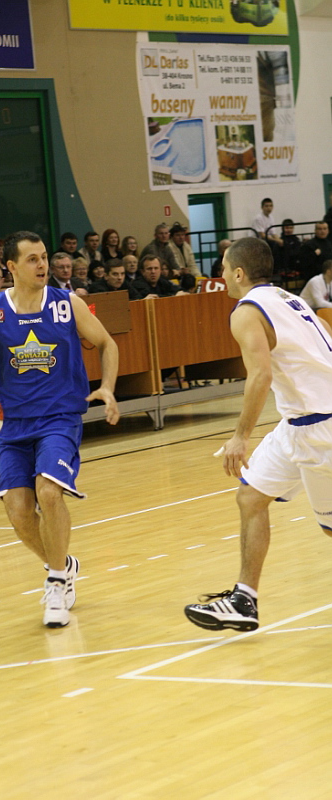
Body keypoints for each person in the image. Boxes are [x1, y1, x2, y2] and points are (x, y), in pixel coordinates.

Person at [0, 230, 119, 628]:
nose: (42, 265)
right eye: (33, 259)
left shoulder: (66, 304)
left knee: (49, 492)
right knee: (18, 511)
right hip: (12, 424)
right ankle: (62, 564)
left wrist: (107, 387)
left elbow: (108, 344)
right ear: (12, 266)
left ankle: (56, 582)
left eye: (44, 258)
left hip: (59, 417)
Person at [184, 237, 332, 632]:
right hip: (298, 422)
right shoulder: (290, 299)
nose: (219, 274)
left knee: (329, 528)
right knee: (251, 496)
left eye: (223, 267)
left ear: (238, 273)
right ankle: (244, 601)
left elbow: (261, 375)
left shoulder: (246, 311)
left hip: (320, 426)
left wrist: (240, 436)